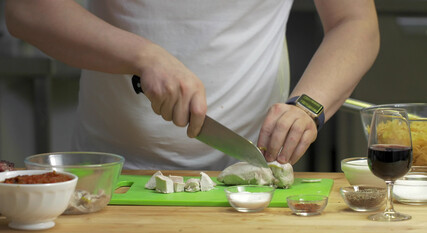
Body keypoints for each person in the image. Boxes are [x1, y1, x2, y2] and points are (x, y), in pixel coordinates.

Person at [5, 0, 379, 170]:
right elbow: (28, 10)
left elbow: (354, 21)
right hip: (115, 177)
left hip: (250, 175)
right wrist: (144, 55)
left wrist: (307, 106)